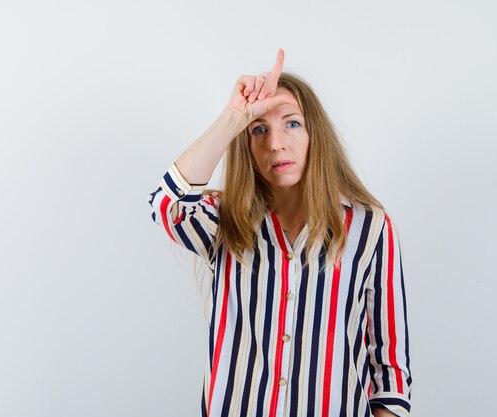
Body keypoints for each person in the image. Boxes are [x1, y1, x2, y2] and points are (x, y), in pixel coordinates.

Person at [148, 49, 412, 417]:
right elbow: (165, 205)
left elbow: (391, 375)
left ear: (314, 133)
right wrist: (233, 117)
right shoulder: (223, 221)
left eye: (292, 123)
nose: (275, 143)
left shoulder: (370, 229)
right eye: (259, 130)